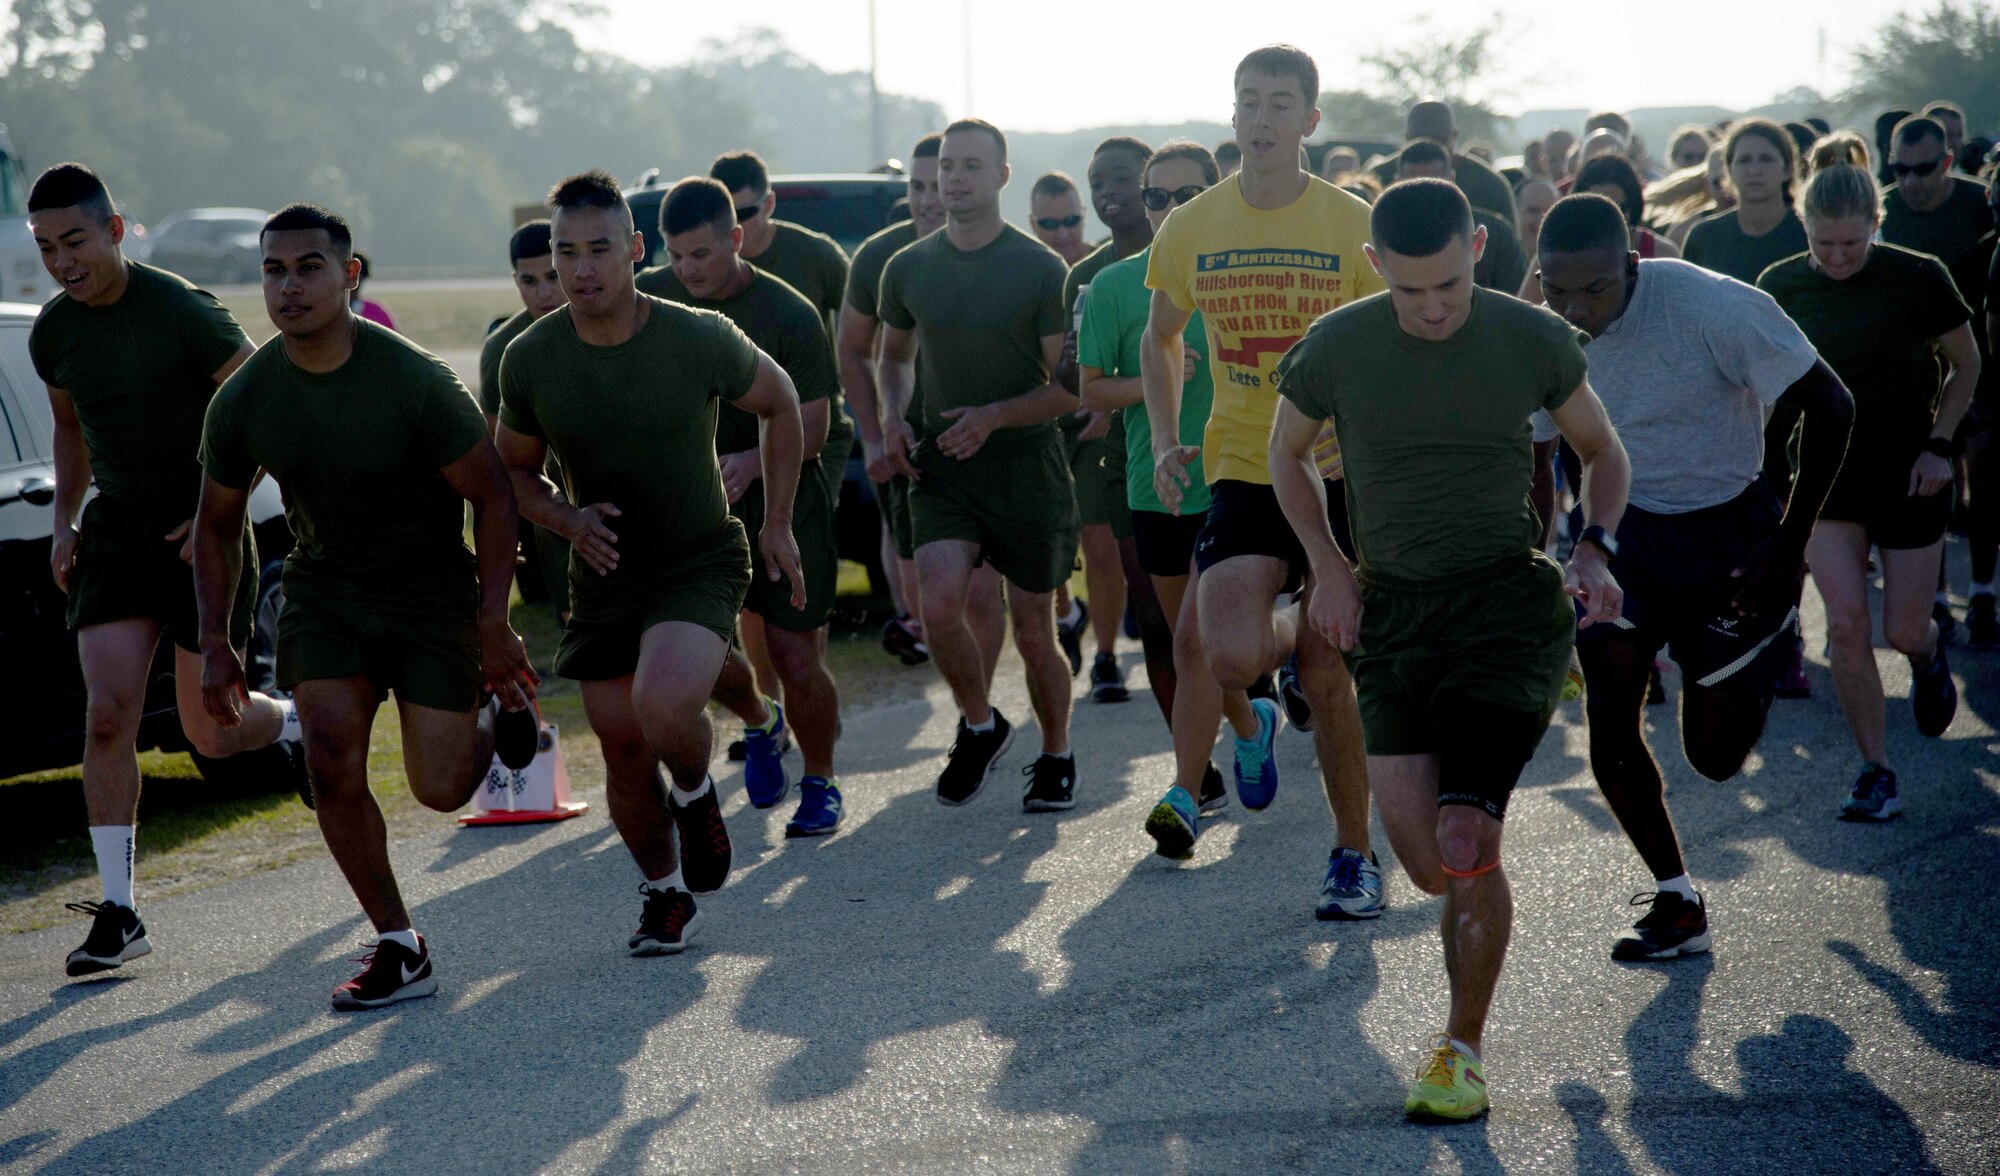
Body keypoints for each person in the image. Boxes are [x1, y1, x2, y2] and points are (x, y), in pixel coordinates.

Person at [1270, 177, 1630, 1120]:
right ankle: (1473, 904)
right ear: (1375, 266)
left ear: (1478, 248)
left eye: (1450, 288)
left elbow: (1603, 450)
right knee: (1430, 862)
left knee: (1467, 838)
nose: (1431, 310)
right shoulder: (1338, 347)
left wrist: (1593, 546)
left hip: (1505, 613)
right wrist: (1329, 567)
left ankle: (1460, 1053)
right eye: (1409, 291)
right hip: (1394, 620)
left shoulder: (1532, 336)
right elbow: (1285, 452)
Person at [194, 203, 538, 1010]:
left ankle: (499, 712)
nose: (289, 286)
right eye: (274, 270)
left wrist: (493, 620)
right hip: (325, 590)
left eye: (309, 267)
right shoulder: (245, 399)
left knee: (443, 790)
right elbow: (214, 524)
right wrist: (218, 639)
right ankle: (398, 941)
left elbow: (493, 499)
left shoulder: (415, 381)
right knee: (329, 759)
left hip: (428, 594)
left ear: (349, 276)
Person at [1532, 193, 1855, 960]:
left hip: (1731, 534)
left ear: (1632, 265)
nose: (1575, 308)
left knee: (1713, 757)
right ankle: (1676, 901)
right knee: (1610, 721)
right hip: (1620, 536)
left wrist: (1792, 537)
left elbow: (1833, 403)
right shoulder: (1538, 330)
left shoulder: (1713, 306)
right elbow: (1535, 453)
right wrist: (1543, 549)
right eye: (1556, 288)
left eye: (1595, 289)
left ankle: (1746, 662)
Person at [496, 171, 808, 953]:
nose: (580, 269)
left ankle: (698, 795)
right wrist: (566, 518)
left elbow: (782, 403)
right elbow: (512, 475)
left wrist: (776, 523)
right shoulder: (530, 358)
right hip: (602, 572)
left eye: (599, 249)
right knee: (624, 747)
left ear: (635, 251)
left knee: (663, 706)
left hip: (697, 555)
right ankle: (665, 894)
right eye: (565, 252)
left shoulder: (696, 335)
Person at [26, 164, 309, 980]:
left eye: (76, 242)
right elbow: (71, 431)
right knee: (107, 717)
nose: (63, 262)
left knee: (210, 735)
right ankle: (120, 911)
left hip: (202, 528)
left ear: (116, 230)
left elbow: (259, 398)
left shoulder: (184, 310)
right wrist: (64, 522)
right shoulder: (54, 332)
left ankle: (292, 722)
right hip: (115, 531)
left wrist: (220, 505)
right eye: (46, 248)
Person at [1141, 45, 1385, 918]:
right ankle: (1288, 634)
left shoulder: (1349, 224)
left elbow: (1392, 346)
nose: (1262, 117)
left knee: (1326, 673)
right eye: (1249, 101)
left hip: (1339, 471)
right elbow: (1160, 336)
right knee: (1232, 653)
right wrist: (1167, 436)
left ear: (1310, 121)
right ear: (1234, 115)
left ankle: (1354, 857)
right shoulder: (1192, 225)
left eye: (1281, 103)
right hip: (1245, 464)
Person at [1759, 165, 1981, 821]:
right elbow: (1759, 384)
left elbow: (1967, 363)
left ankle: (1929, 655)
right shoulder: (1781, 285)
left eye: (1851, 244)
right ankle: (1875, 771)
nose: (1835, 258)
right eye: (1822, 244)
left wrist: (1941, 443)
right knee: (1848, 626)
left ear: (1875, 228)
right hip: (1826, 479)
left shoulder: (1918, 276)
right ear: (1805, 229)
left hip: (1912, 471)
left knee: (1903, 627)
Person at [876, 118, 1083, 811]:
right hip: (945, 468)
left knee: (1033, 630)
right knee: (936, 604)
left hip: (1025, 467)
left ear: (1001, 176)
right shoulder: (907, 266)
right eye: (945, 168)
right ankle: (979, 724)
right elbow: (894, 358)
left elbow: (1067, 388)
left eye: (970, 166)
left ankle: (1056, 754)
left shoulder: (1039, 268)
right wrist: (894, 418)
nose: (953, 179)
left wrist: (994, 415)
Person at [637, 177, 847, 837]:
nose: (687, 270)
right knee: (693, 645)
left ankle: (820, 780)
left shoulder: (787, 313)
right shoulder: (652, 299)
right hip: (693, 506)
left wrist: (756, 461)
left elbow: (814, 425)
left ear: (735, 238)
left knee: (795, 653)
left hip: (785, 497)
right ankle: (761, 720)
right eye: (676, 256)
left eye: (701, 254)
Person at [1077, 139, 1259, 818]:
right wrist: (1151, 382)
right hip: (1155, 482)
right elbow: (1090, 391)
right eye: (1159, 197)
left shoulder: (1247, 271)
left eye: (1190, 196)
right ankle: (1249, 727)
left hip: (1238, 479)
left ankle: (1186, 792)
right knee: (1180, 634)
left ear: (1217, 193)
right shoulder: (1114, 287)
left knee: (1195, 637)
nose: (1172, 209)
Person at [839, 135, 1008, 677]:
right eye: (915, 186)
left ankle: (977, 703)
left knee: (983, 590)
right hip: (905, 443)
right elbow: (853, 350)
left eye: (936, 184)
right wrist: (872, 433)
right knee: (921, 584)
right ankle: (965, 696)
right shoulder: (877, 257)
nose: (926, 198)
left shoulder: (1001, 253)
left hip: (981, 440)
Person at [711, 151, 854, 720]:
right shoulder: (687, 278)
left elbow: (856, 332)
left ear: (764, 207)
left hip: (815, 433)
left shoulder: (814, 258)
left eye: (745, 212)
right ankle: (770, 715)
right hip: (729, 444)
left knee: (795, 575)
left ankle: (803, 691)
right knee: (750, 592)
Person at [1879, 115, 1998, 640]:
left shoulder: (1977, 204)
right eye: (1899, 169)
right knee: (1928, 482)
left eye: (1923, 169)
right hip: (1919, 368)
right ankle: (1935, 599)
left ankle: (1984, 591)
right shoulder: (1884, 211)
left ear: (1947, 161)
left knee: (1985, 479)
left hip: (1985, 354)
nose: (1910, 181)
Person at [1058, 137, 1160, 704]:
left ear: (1149, 183)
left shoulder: (1186, 257)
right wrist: (1073, 359)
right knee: (1107, 549)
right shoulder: (1086, 275)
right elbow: (1066, 379)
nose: (1106, 193)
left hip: (1181, 434)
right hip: (1106, 439)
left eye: (1119, 179)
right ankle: (1106, 657)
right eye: (1097, 183)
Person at [478, 220, 570, 625]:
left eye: (553, 276)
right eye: (530, 281)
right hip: (552, 508)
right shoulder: (501, 349)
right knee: (584, 635)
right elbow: (498, 462)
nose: (544, 292)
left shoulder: (607, 323)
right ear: (516, 281)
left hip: (630, 498)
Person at [1683, 119, 1807, 285]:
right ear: (1728, 170)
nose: (1754, 170)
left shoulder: (1809, 234)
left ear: (1787, 170)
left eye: (1766, 159)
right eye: (1744, 160)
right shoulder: (1703, 237)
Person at [1396, 139, 1528, 292]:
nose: (1426, 197)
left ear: (1451, 179)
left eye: (1434, 185)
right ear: (1396, 183)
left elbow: (1519, 298)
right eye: (1415, 188)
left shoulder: (1495, 233)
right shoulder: (1383, 233)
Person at [1371, 100, 1518, 227]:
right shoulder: (1378, 177)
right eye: (1420, 143)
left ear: (1454, 136)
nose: (1430, 152)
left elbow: (1509, 246)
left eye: (1438, 143)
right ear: (1406, 138)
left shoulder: (1490, 184)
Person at [1028, 171, 1092, 266]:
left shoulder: (1108, 264)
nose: (1063, 234)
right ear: (1033, 224)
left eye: (1071, 221)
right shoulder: (1022, 274)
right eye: (1050, 224)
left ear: (1084, 217)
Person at [1515, 177, 1559, 260]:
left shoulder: (1573, 267)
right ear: (1515, 213)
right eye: (1533, 210)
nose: (1542, 220)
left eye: (1550, 211)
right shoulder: (1499, 265)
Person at [349, 251, 395, 330]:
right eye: (348, 273)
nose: (351, 279)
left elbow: (395, 339)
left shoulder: (377, 312)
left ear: (364, 276)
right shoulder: (327, 311)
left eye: (357, 274)